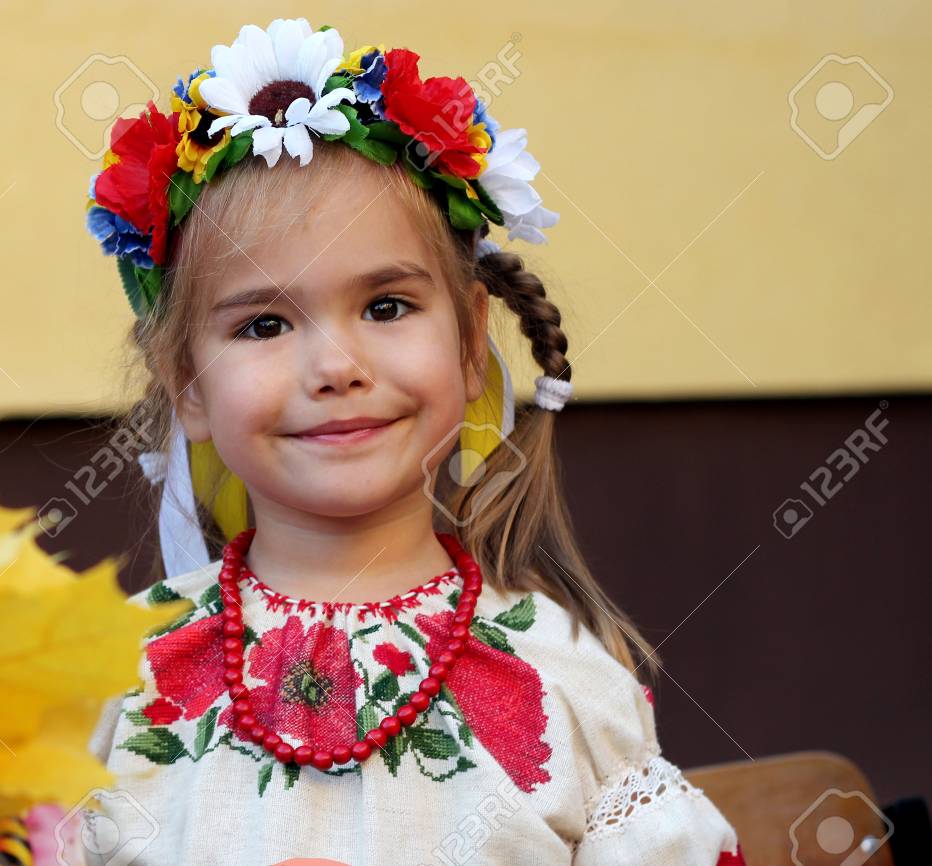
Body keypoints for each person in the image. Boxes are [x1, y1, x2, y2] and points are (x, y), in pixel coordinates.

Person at [76, 17, 747, 866]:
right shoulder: (107, 681)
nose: (336, 365)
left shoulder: (566, 680)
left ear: (471, 342)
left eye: (386, 306)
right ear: (187, 384)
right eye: (265, 323)